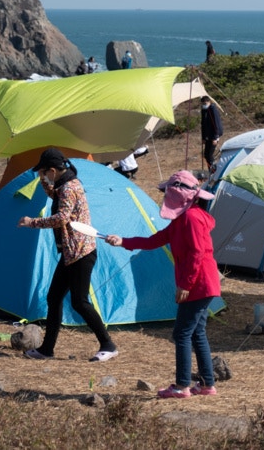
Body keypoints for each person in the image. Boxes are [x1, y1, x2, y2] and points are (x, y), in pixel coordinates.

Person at [104, 170, 220, 399]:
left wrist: (185, 285)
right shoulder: (181, 220)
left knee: (182, 334)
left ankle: (182, 386)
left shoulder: (191, 218)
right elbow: (154, 240)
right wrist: (122, 241)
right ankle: (207, 384)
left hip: (199, 284)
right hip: (201, 284)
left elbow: (197, 254)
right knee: (196, 333)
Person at [17, 148, 118, 362]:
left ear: (53, 170)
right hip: (72, 253)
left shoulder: (69, 187)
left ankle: (108, 344)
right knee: (54, 298)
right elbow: (56, 195)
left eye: (45, 173)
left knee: (79, 301)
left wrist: (31, 223)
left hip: (80, 252)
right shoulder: (66, 183)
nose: (44, 176)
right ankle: (47, 349)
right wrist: (43, 181)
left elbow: (61, 217)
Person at [200, 95, 223, 172]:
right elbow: (203, 124)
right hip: (208, 136)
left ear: (209, 102)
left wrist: (215, 137)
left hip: (214, 136)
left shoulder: (213, 109)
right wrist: (203, 137)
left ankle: (214, 170)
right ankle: (211, 169)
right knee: (206, 154)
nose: (204, 105)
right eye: (203, 103)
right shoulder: (204, 110)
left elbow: (216, 123)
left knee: (209, 155)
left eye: (205, 103)